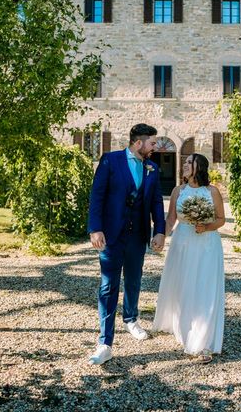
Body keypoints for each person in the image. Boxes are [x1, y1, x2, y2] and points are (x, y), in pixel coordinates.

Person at [87, 123, 166, 365]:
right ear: (138, 142)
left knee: (133, 280)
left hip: (138, 235)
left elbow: (155, 203)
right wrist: (95, 228)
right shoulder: (110, 161)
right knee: (108, 286)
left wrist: (160, 231)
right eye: (152, 143)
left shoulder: (152, 168)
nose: (155, 147)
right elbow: (97, 195)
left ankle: (131, 319)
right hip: (111, 235)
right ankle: (105, 342)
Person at [152, 153, 225, 364]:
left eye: (188, 162)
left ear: (199, 167)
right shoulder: (178, 191)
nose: (184, 165)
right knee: (184, 287)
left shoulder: (212, 192)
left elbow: (220, 219)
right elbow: (171, 219)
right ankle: (185, 329)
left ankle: (204, 342)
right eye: (184, 162)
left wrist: (206, 226)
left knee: (204, 287)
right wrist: (161, 237)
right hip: (182, 243)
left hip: (207, 245)